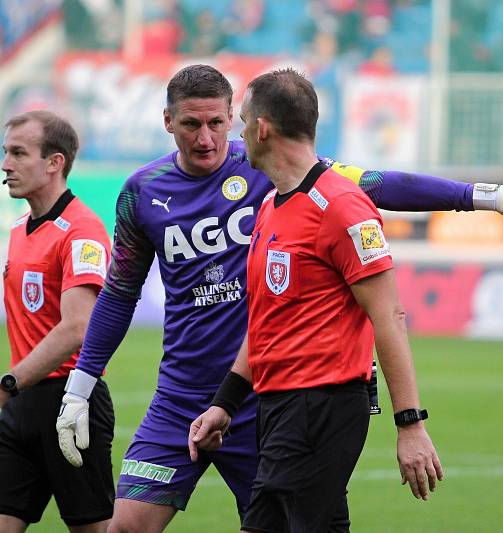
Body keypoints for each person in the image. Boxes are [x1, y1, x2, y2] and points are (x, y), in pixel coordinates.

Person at [55, 64, 503, 532]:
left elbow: (381, 185)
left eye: (218, 122)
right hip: (182, 396)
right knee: (125, 528)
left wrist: (489, 197)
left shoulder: (275, 171)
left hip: (269, 399)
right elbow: (120, 293)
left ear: (242, 120)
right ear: (167, 121)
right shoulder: (141, 193)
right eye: (191, 125)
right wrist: (80, 385)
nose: (207, 138)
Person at [189, 67, 442, 532]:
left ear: (262, 128)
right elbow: (268, 322)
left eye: (242, 121)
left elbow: (388, 314)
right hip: (275, 405)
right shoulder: (270, 206)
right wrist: (226, 402)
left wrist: (410, 424)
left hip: (320, 406)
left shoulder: (341, 206)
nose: (239, 134)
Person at [0, 110, 114, 533]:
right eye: (5, 152)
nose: (5, 165)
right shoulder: (18, 228)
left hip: (71, 404)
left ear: (54, 162)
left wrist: (3, 386)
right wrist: (13, 392)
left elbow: (77, 327)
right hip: (21, 408)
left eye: (18, 153)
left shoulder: (83, 232)